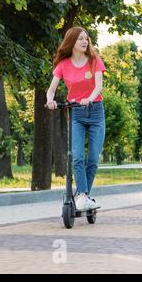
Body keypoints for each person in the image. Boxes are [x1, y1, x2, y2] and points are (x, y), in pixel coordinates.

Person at [46, 26, 106, 211]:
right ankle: (82, 195)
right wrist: (50, 100)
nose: (84, 41)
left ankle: (83, 195)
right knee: (77, 156)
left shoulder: (94, 60)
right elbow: (52, 89)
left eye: (86, 39)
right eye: (80, 39)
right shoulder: (63, 65)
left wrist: (89, 98)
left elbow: (99, 86)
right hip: (77, 113)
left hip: (95, 111)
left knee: (93, 158)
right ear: (72, 41)